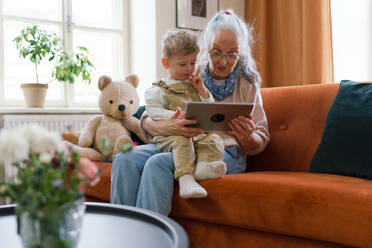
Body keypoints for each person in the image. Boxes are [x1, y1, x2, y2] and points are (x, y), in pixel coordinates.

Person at [110, 9, 270, 215]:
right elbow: (148, 115)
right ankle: (122, 232)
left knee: (158, 163)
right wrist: (166, 125)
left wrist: (248, 138)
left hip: (224, 152)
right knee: (125, 158)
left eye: (232, 54)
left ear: (241, 53)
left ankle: (150, 238)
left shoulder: (247, 84)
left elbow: (261, 137)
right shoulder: (189, 69)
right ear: (206, 47)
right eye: (217, 52)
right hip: (182, 143)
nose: (223, 61)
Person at [145, 29, 226, 199]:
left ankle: (204, 167)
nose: (189, 68)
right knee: (182, 141)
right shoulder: (158, 88)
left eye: (193, 62)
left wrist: (203, 91)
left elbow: (210, 110)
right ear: (166, 63)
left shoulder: (195, 85)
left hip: (196, 135)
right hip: (172, 136)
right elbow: (153, 111)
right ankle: (186, 179)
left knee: (214, 139)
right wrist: (174, 116)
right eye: (183, 64)